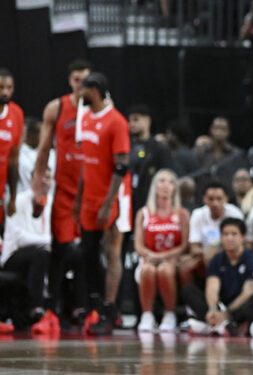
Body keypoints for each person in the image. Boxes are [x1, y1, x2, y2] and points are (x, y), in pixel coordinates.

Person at [31, 59, 90, 329]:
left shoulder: (100, 110)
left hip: (92, 190)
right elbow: (43, 150)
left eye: (86, 80)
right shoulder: (57, 107)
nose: (81, 85)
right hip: (64, 192)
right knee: (59, 250)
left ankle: (87, 309)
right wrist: (38, 188)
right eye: (77, 79)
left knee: (90, 251)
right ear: (70, 81)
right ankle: (51, 310)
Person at [75, 72, 132, 335]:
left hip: (113, 197)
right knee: (87, 252)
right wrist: (78, 199)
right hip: (89, 197)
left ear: (95, 90)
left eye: (83, 89)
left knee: (112, 251)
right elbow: (86, 164)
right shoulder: (85, 118)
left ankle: (109, 310)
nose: (78, 93)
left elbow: (122, 166)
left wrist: (109, 204)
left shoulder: (116, 121)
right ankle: (97, 304)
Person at [183, 218, 253, 336]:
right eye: (225, 234)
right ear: (221, 237)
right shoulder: (218, 259)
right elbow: (212, 286)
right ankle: (217, 323)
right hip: (221, 303)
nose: (229, 238)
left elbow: (249, 292)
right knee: (188, 290)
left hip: (239, 306)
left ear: (242, 237)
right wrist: (213, 309)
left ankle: (220, 324)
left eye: (234, 234)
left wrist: (227, 313)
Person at [133, 169, 189, 332]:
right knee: (148, 270)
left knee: (164, 270)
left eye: (171, 182)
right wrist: (150, 255)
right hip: (149, 258)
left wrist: (164, 256)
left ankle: (169, 314)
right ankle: (147, 315)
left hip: (172, 259)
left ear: (175, 188)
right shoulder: (144, 213)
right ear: (154, 186)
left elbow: (184, 245)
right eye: (161, 181)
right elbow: (138, 245)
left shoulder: (182, 213)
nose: (166, 185)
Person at [1, 168, 55, 332]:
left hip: (41, 253)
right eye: (41, 177)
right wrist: (48, 241)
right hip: (13, 256)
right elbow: (20, 238)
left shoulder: (52, 201)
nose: (45, 181)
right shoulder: (18, 201)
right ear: (32, 180)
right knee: (41, 255)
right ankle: (36, 309)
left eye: (48, 177)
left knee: (72, 255)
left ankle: (70, 311)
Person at [181, 181, 243, 286]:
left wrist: (214, 252)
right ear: (204, 199)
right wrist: (207, 254)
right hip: (204, 256)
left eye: (219, 199)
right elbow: (194, 248)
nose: (215, 203)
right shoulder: (197, 214)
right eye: (211, 199)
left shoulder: (235, 214)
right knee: (185, 268)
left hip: (230, 254)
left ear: (226, 199)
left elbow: (240, 243)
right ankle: (190, 297)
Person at [127, 104, 174, 219]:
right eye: (129, 120)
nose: (131, 124)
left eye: (136, 119)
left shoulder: (159, 148)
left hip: (150, 202)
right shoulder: (127, 146)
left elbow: (168, 175)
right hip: (128, 202)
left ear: (147, 120)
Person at [0, 68, 23, 231]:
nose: (6, 92)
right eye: (1, 88)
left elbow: (13, 159)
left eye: (9, 88)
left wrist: (13, 198)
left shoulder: (16, 113)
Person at [18, 117, 54, 193]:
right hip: (22, 197)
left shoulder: (53, 154)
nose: (45, 136)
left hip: (49, 198)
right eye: (41, 132)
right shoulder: (20, 155)